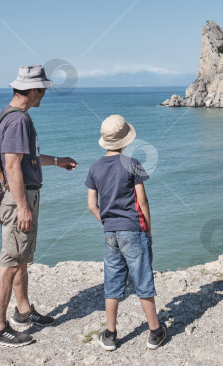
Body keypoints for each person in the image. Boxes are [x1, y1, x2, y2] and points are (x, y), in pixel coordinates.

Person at [0, 65, 78, 347]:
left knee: (21, 257)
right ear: (33, 90)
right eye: (43, 90)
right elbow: (12, 166)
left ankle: (23, 311)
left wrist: (57, 160)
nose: (44, 95)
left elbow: (27, 159)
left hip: (20, 195)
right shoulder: (18, 121)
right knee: (10, 262)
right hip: (18, 198)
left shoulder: (10, 116)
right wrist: (23, 207)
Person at [86, 114, 167, 351]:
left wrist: (108, 221)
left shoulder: (95, 167)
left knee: (112, 282)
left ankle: (110, 334)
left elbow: (92, 205)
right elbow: (142, 201)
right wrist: (148, 231)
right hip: (134, 230)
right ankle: (155, 332)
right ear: (125, 141)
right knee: (143, 280)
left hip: (110, 231)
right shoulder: (132, 164)